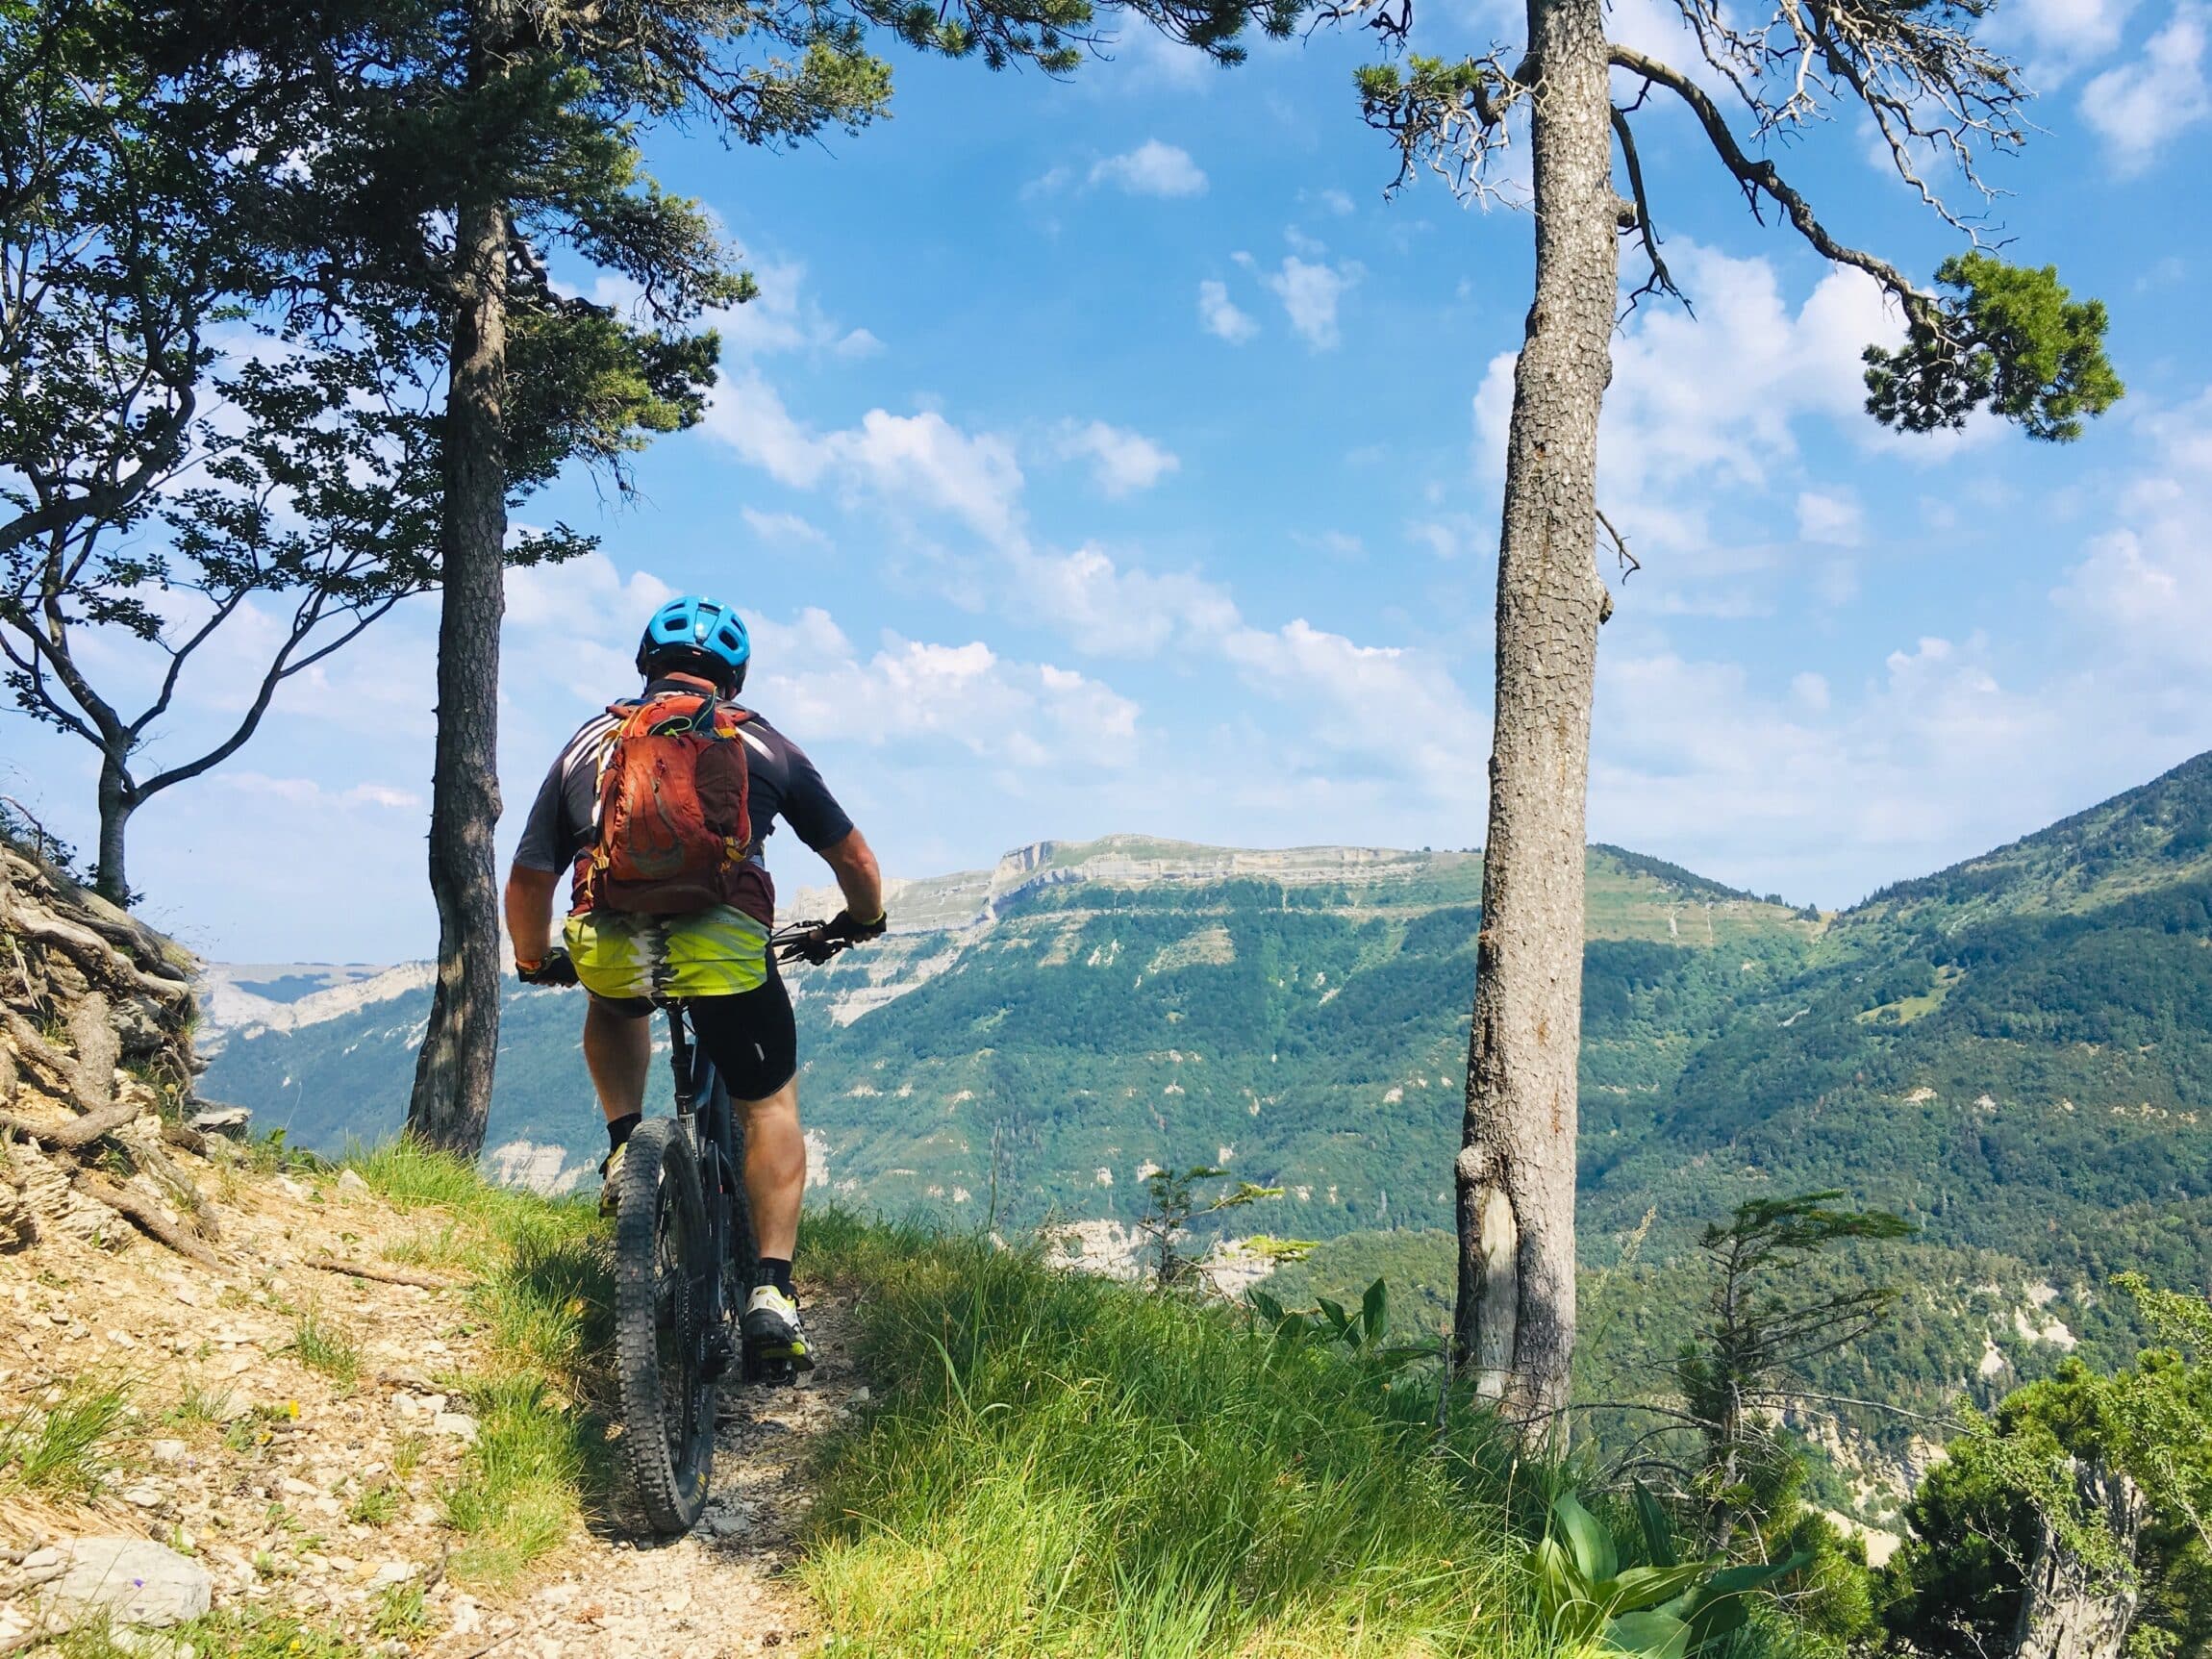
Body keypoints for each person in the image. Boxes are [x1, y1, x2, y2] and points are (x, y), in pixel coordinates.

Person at [503, 594, 885, 1374]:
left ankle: (623, 1147)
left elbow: (528, 876)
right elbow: (857, 864)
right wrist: (860, 920)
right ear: (733, 677)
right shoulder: (760, 742)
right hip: (725, 952)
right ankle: (772, 1293)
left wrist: (534, 956)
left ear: (647, 662)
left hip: (612, 943)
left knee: (612, 1004)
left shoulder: (590, 743)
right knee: (768, 1102)